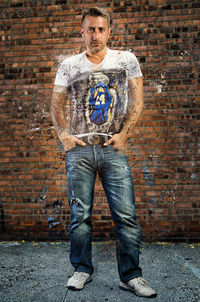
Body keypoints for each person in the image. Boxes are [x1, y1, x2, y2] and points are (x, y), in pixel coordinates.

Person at [51, 7, 157, 298]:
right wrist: (63, 135)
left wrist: (125, 134)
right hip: (80, 151)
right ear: (82, 32)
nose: (95, 35)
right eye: (90, 29)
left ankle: (131, 276)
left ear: (109, 32)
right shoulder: (69, 65)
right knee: (79, 216)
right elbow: (56, 103)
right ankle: (81, 269)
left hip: (112, 149)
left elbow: (138, 98)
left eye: (100, 29)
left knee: (125, 216)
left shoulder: (125, 60)